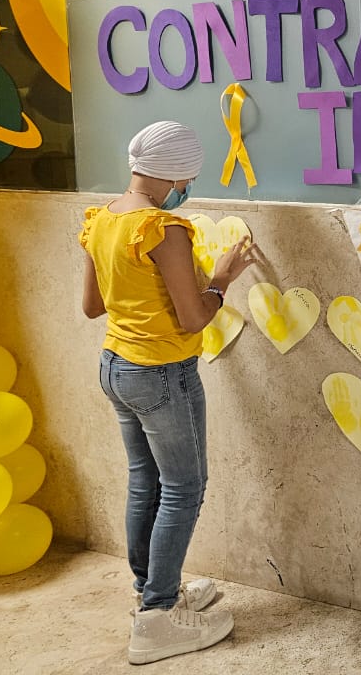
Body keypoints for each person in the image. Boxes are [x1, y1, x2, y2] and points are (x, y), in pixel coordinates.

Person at [79, 121, 257, 664]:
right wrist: (221, 279)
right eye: (189, 180)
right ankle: (157, 617)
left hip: (116, 366)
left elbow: (92, 306)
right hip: (161, 372)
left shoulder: (102, 219)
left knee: (146, 481)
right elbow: (192, 319)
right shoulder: (163, 228)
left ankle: (151, 592)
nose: (188, 189)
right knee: (184, 486)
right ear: (176, 175)